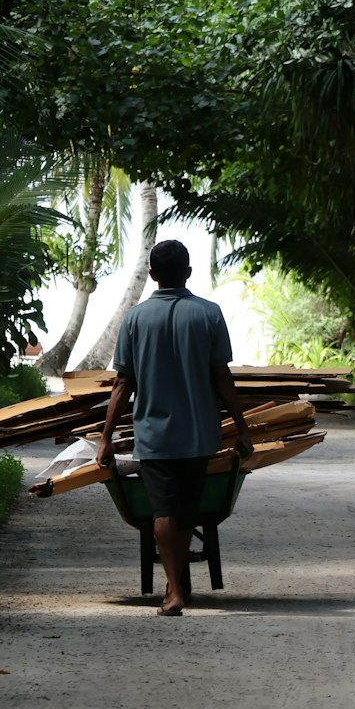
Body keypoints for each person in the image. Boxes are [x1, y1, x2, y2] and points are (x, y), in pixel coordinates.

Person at [96, 239, 254, 617]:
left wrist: (105, 439)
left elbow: (122, 384)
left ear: (151, 275)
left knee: (163, 511)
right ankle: (175, 586)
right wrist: (242, 427)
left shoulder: (134, 319)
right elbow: (222, 378)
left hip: (154, 433)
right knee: (185, 510)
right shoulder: (209, 314)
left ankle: (174, 590)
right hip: (199, 432)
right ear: (187, 272)